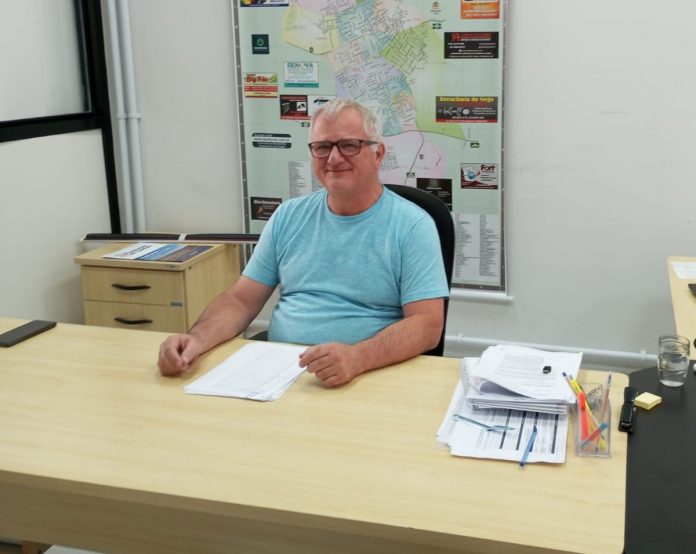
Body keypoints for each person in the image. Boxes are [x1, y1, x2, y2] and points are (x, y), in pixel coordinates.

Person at [158, 99, 449, 386]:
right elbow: (240, 301)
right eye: (322, 147)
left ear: (378, 154)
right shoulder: (288, 216)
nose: (333, 158)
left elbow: (427, 324)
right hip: (280, 374)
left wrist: (358, 358)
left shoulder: (413, 225)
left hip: (369, 375)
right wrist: (195, 341)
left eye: (349, 145)